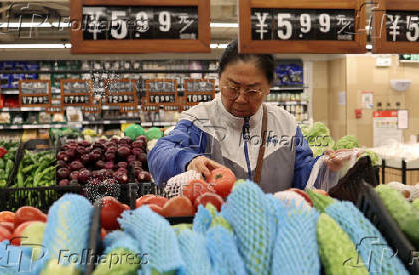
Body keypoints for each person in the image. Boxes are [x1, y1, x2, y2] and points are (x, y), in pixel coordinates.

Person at [147, 40, 356, 193]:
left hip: (276, 231)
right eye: (232, 87)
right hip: (216, 232)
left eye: (253, 91)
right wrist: (188, 159)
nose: (240, 99)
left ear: (268, 88)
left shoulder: (286, 124)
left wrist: (326, 166)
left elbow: (302, 174)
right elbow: (159, 153)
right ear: (219, 79)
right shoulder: (199, 120)